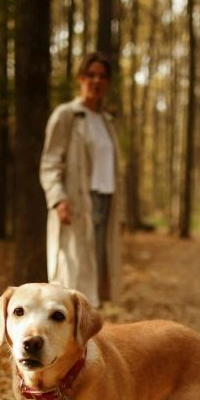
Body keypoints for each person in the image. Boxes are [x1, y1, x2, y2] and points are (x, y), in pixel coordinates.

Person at [40, 52, 123, 309]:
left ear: (107, 82)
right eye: (91, 75)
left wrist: (121, 216)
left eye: (102, 76)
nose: (96, 81)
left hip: (105, 205)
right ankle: (65, 343)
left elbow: (115, 171)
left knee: (97, 279)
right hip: (76, 205)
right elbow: (50, 162)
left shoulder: (107, 122)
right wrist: (58, 199)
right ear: (81, 78)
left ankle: (91, 343)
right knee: (72, 280)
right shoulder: (66, 115)